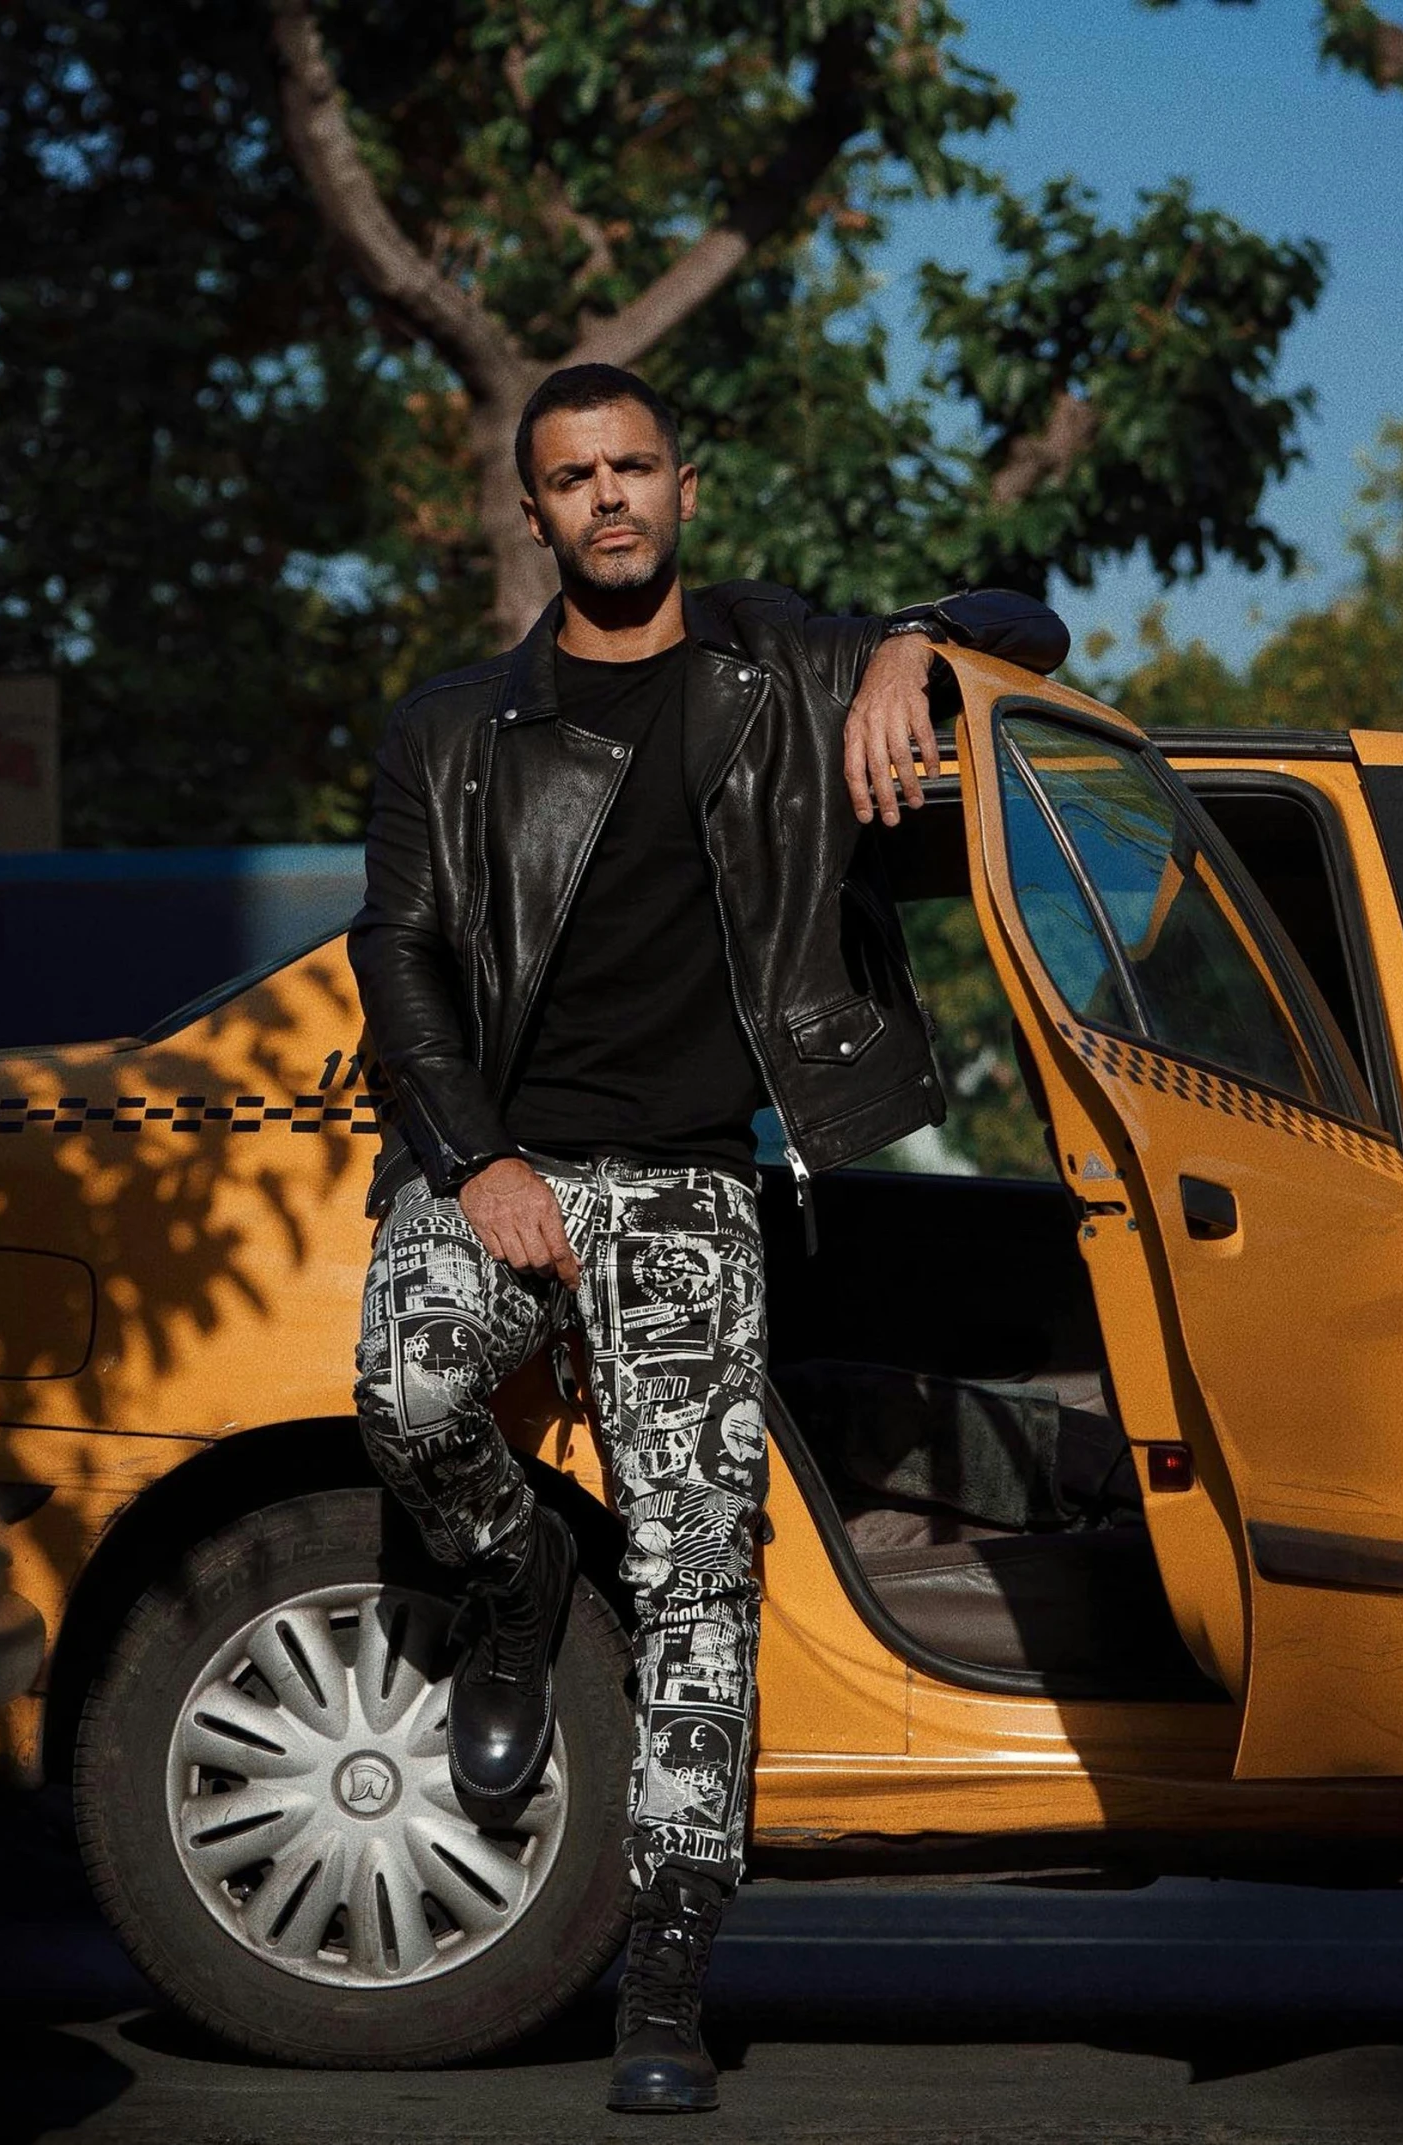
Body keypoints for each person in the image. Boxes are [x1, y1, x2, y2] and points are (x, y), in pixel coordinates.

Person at [348, 361, 957, 2113]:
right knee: (406, 1394)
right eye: (571, 478)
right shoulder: (453, 728)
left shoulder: (790, 669)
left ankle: (668, 1971)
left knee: (701, 1582)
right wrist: (472, 1161)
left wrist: (913, 645)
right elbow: (396, 954)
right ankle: (513, 1574)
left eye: (632, 468)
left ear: (684, 487)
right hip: (500, 1162)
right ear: (534, 511)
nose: (607, 499)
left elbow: (1028, 622)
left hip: (690, 1189)